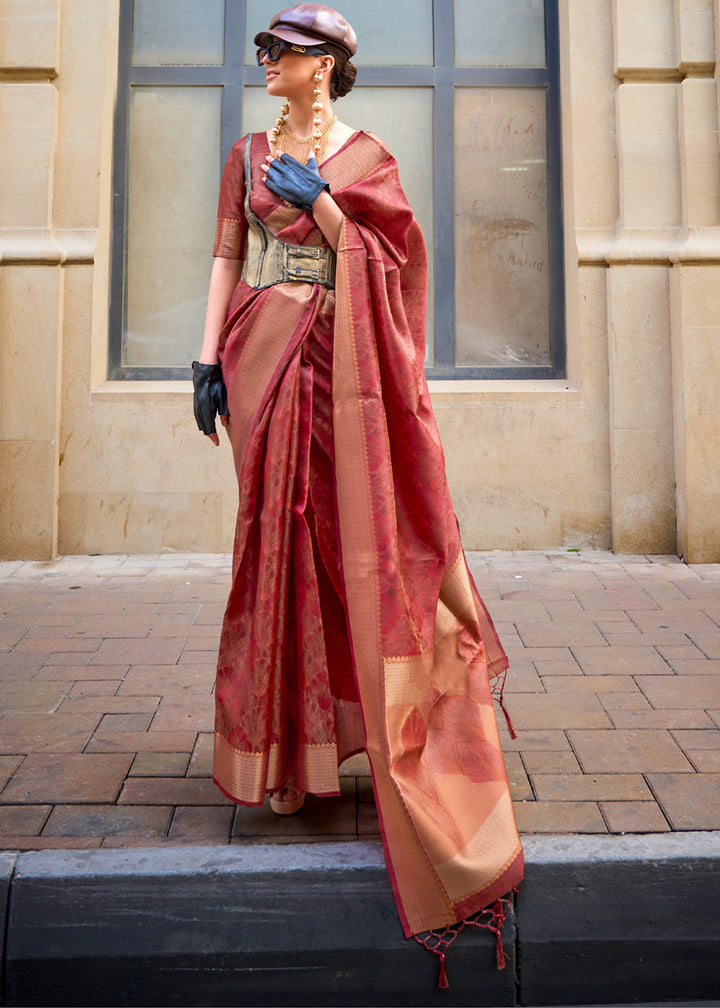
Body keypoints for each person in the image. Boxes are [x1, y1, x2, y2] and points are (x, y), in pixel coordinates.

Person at [192, 3, 523, 984]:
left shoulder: (370, 156)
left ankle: (386, 731)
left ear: (326, 66)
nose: (266, 63)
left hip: (348, 368)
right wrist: (205, 358)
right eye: (265, 50)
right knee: (274, 542)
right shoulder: (246, 150)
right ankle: (287, 756)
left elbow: (396, 261)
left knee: (357, 541)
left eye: (282, 53)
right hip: (262, 357)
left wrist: (329, 207)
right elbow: (224, 254)